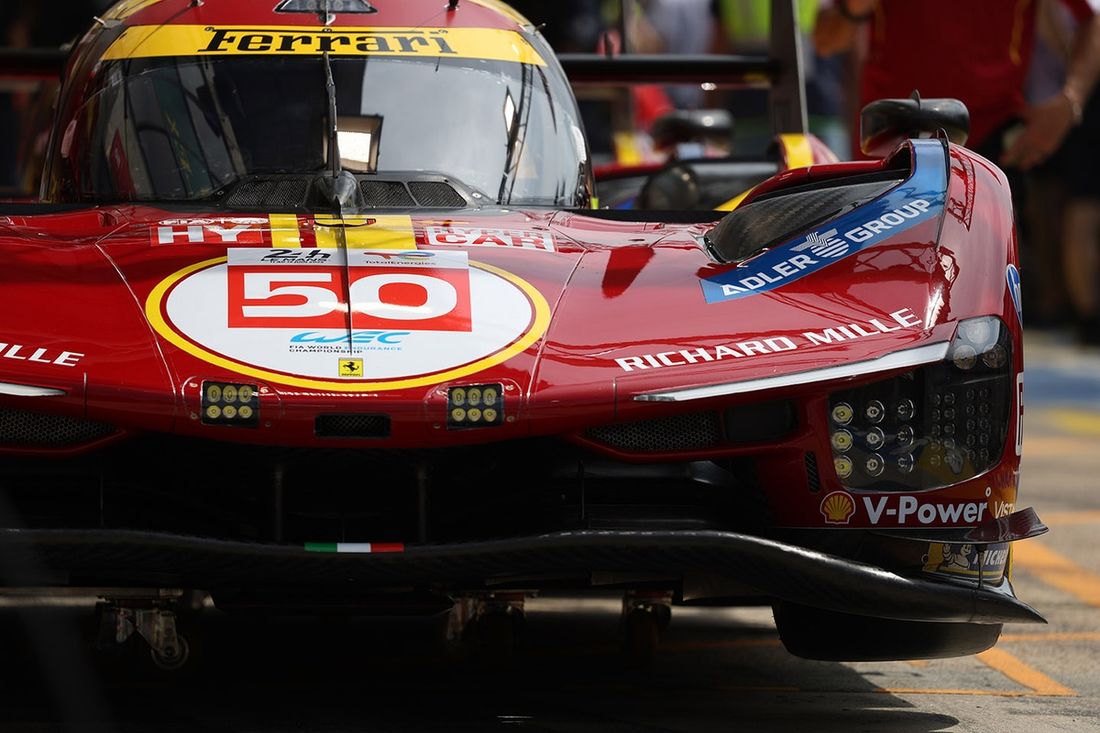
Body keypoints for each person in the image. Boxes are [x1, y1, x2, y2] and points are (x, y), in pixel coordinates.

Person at [813, 0, 1100, 170]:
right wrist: (854, 10)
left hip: (992, 140)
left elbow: (1092, 18)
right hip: (893, 141)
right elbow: (825, 40)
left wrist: (1069, 102)